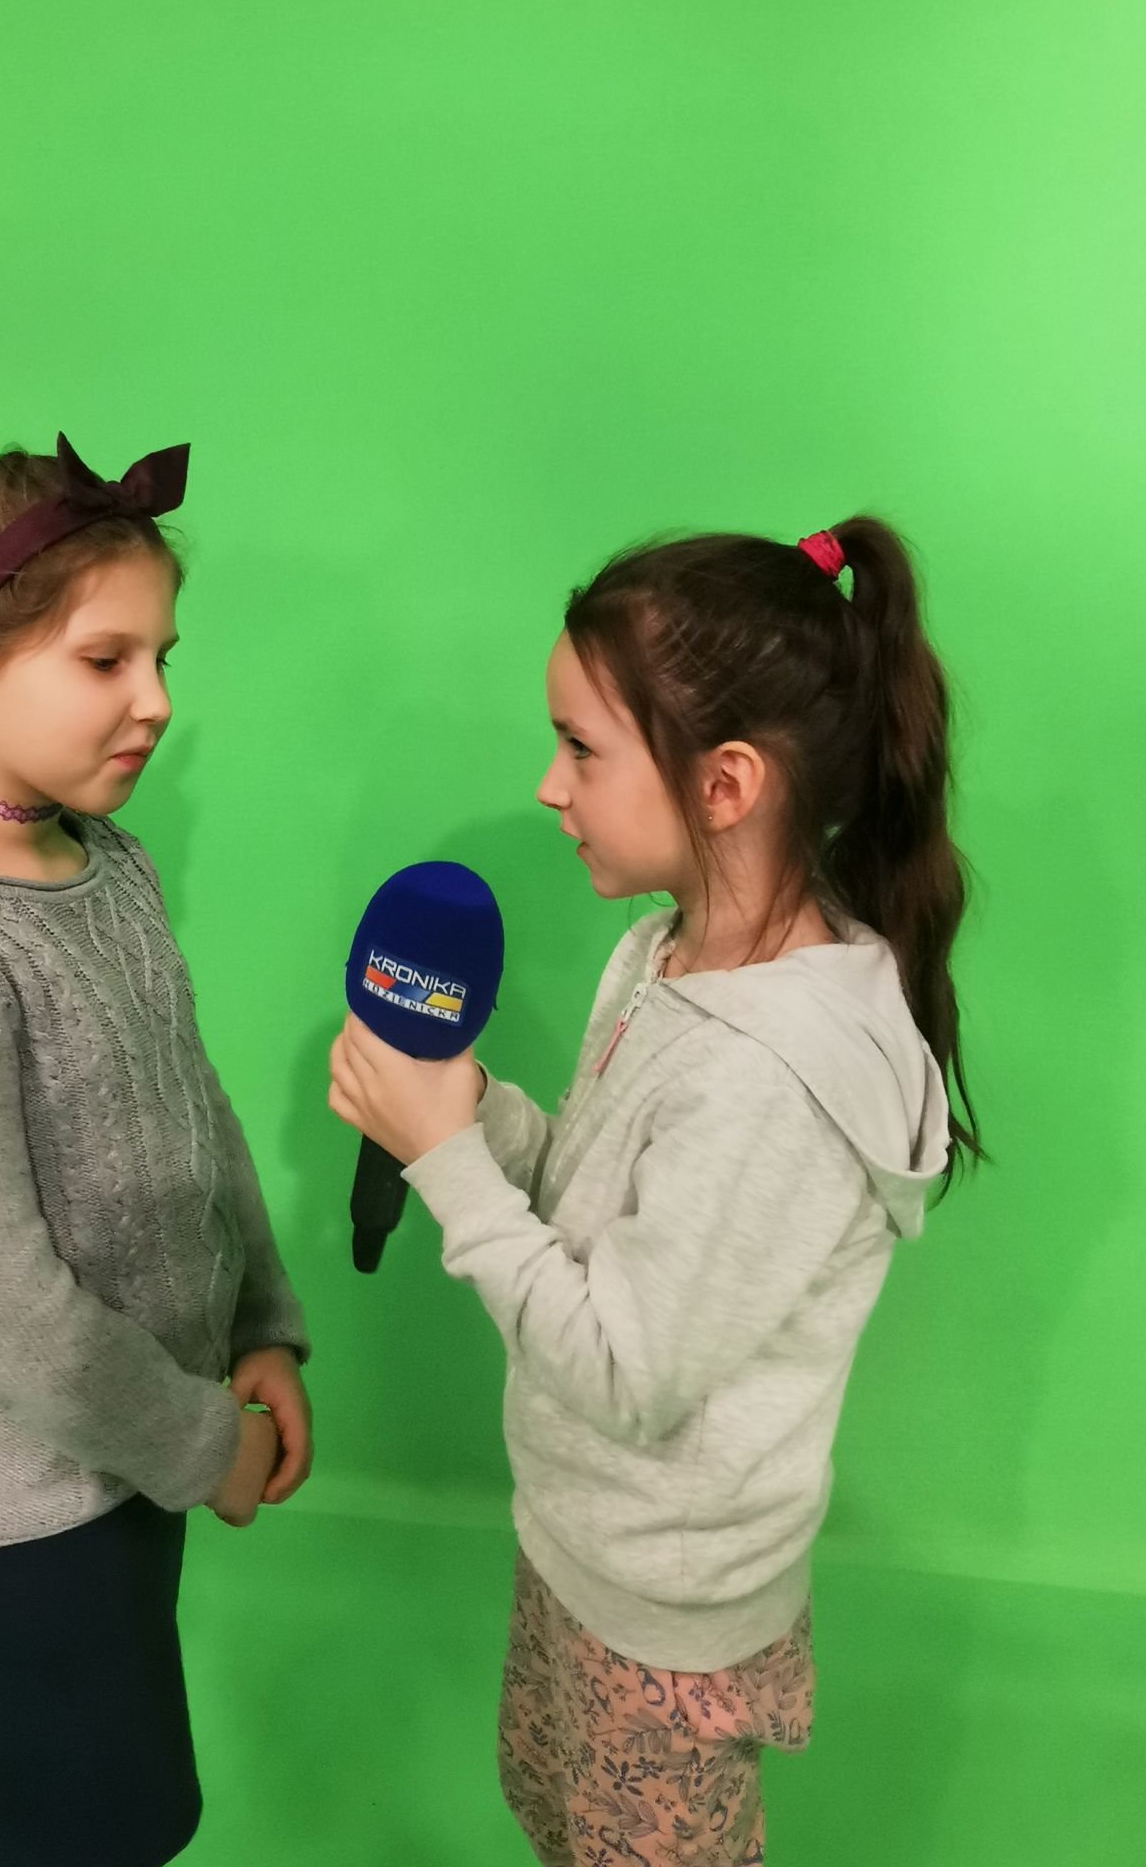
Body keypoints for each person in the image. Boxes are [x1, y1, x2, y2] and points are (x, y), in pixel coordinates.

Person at [329, 518, 981, 1865]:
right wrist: (473, 1111)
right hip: (582, 1544)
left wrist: (445, 1164)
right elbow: (598, 1195)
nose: (548, 786)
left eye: (581, 748)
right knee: (555, 1815)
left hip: (666, 1621)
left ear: (725, 783)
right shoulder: (661, 954)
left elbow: (628, 1369)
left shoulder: (770, 1080)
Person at [0, 420, 311, 1867]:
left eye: (162, 657)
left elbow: (193, 1104)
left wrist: (261, 1327)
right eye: (107, 661)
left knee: (134, 1816)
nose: (156, 702)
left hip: (131, 1459)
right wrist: (205, 1446)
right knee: (79, 1836)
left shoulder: (110, 867)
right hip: (14, 1523)